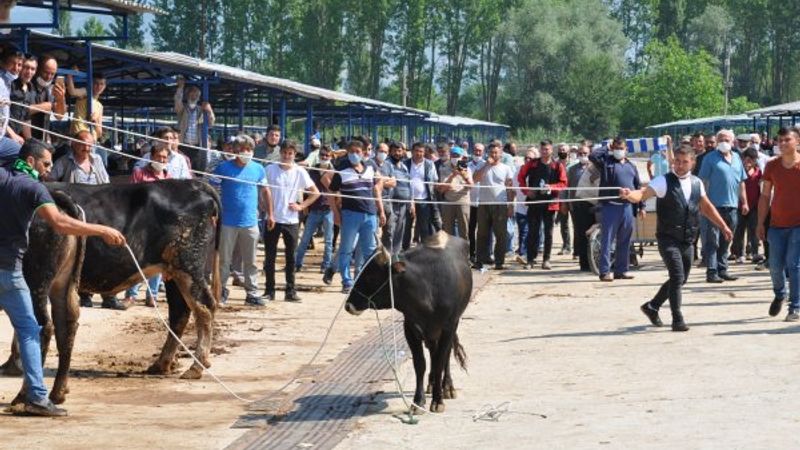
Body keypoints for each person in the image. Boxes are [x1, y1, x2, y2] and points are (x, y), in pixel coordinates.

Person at [1, 139, 125, 416]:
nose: (47, 170)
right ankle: (36, 396)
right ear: (30, 162)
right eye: (45, 164)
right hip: (9, 270)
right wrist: (101, 230)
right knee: (30, 331)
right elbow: (60, 223)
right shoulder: (33, 188)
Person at [622, 146, 733, 332]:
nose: (679, 165)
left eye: (684, 162)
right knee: (677, 275)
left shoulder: (697, 183)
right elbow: (642, 194)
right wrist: (629, 195)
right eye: (677, 161)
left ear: (693, 162)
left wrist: (723, 226)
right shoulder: (663, 182)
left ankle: (652, 306)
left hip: (688, 239)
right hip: (667, 238)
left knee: (681, 279)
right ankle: (677, 318)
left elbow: (706, 208)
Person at [212, 134, 273, 306]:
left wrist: (271, 213)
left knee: (251, 260)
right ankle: (220, 291)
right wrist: (213, 212)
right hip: (227, 222)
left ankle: (252, 293)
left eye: (249, 149)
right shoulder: (223, 168)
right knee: (224, 260)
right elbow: (212, 189)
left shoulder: (259, 169)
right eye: (243, 149)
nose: (246, 152)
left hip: (251, 222)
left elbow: (266, 191)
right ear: (236, 150)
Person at [323, 140, 386, 294]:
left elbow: (378, 186)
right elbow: (331, 192)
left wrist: (381, 210)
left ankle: (367, 281)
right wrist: (336, 214)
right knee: (346, 249)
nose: (354, 155)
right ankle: (346, 281)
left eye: (357, 151)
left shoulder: (371, 168)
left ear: (364, 152)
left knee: (370, 250)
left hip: (370, 214)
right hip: (350, 214)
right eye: (351, 152)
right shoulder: (342, 170)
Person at [262, 140, 319, 302]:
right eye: (285, 152)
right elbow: (262, 191)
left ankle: (290, 290)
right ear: (281, 152)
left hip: (292, 220)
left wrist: (302, 206)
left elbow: (315, 192)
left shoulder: (300, 172)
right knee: (270, 256)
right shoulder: (270, 169)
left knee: (290, 257)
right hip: (273, 218)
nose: (287, 156)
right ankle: (269, 290)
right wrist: (267, 211)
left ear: (294, 155)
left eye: (290, 153)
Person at [758, 127, 800, 322]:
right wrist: (760, 223)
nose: (782, 144)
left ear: (797, 142)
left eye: (786, 140)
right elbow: (765, 195)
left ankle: (795, 307)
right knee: (775, 266)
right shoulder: (772, 166)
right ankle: (779, 293)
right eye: (779, 140)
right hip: (776, 224)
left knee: (794, 265)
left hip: (798, 225)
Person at [698, 129, 748, 283]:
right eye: (720, 139)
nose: (723, 142)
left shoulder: (737, 159)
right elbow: (703, 182)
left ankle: (722, 269)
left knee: (727, 239)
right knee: (713, 240)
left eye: (726, 139)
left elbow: (741, 182)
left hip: (732, 206)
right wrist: (703, 204)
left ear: (732, 142)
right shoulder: (709, 158)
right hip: (714, 207)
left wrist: (744, 202)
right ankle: (712, 271)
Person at [590, 137, 643, 281]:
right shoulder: (606, 162)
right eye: (616, 148)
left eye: (621, 148)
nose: (619, 151)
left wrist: (641, 206)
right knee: (607, 240)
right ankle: (605, 271)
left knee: (625, 240)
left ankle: (621, 270)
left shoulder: (631, 166)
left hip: (627, 207)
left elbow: (637, 187)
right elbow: (592, 156)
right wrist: (606, 147)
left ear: (626, 149)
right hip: (610, 206)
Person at [123, 145, 170, 307]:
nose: (161, 160)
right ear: (152, 156)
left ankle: (152, 295)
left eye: (164, 157)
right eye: (159, 156)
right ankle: (131, 295)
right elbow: (130, 196)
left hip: (159, 225)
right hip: (140, 224)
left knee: (156, 261)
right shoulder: (139, 173)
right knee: (137, 260)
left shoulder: (167, 177)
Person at [518, 139, 567, 270]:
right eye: (543, 149)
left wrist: (551, 187)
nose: (545, 152)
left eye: (547, 149)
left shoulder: (557, 166)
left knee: (548, 232)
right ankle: (530, 259)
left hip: (550, 203)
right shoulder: (532, 164)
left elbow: (563, 184)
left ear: (552, 150)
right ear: (540, 150)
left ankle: (546, 259)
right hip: (534, 202)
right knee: (533, 231)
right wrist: (527, 191)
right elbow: (520, 177)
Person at [473, 141, 514, 270]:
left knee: (501, 234)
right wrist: (486, 165)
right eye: (491, 152)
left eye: (496, 152)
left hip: (500, 204)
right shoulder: (481, 165)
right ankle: (480, 259)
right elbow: (475, 179)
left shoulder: (506, 168)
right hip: (484, 204)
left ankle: (499, 261)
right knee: (482, 234)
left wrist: (510, 205)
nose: (494, 155)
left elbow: (510, 188)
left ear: (501, 154)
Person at [296, 145, 334, 275]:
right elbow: (305, 190)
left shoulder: (334, 172)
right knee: (305, 239)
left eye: (327, 155)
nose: (324, 157)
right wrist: (304, 206)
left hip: (329, 210)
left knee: (329, 241)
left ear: (331, 156)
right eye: (322, 155)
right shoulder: (312, 171)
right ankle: (297, 263)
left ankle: (326, 265)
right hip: (314, 210)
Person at [174, 76, 215, 171]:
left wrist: (209, 110)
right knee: (182, 169)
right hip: (183, 145)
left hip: (197, 146)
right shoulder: (182, 109)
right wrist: (180, 87)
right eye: (192, 94)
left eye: (196, 95)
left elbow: (211, 123)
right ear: (187, 95)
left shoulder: (201, 110)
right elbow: (177, 101)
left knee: (196, 170)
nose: (194, 96)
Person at [565, 145, 595, 271]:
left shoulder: (595, 168)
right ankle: (584, 263)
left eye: (586, 153)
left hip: (593, 205)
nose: (583, 155)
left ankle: (594, 260)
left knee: (593, 234)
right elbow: (567, 187)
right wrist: (567, 204)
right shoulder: (572, 169)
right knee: (581, 234)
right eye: (581, 153)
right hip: (577, 206)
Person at [730, 148, 762, 264]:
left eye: (751, 159)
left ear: (755, 161)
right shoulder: (737, 171)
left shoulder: (759, 172)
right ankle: (739, 254)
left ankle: (755, 253)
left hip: (754, 206)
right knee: (739, 231)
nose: (747, 162)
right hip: (739, 206)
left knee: (754, 231)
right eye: (745, 159)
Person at [382, 141, 413, 255]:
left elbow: (409, 185)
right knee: (389, 231)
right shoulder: (386, 165)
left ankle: (394, 256)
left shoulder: (404, 167)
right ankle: (386, 256)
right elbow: (383, 182)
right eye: (394, 151)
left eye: (399, 151)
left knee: (400, 231)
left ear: (403, 152)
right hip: (391, 203)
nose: (397, 153)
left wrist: (411, 202)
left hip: (403, 205)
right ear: (390, 152)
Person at [406, 142, 441, 241]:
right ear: (412, 151)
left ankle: (425, 250)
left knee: (425, 227)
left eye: (421, 151)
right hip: (408, 200)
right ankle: (405, 249)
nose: (418, 153)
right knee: (406, 227)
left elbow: (435, 180)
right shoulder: (405, 163)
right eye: (416, 151)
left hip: (424, 200)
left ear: (424, 152)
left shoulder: (429, 164)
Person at [436, 146, 473, 239]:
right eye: (453, 155)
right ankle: (449, 252)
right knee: (447, 230)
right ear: (450, 156)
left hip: (463, 201)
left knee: (464, 230)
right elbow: (442, 189)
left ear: (461, 157)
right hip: (448, 201)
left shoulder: (466, 167)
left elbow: (471, 186)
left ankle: (464, 252)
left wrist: (465, 176)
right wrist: (452, 176)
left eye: (457, 155)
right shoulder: (444, 167)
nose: (455, 157)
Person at [29, 54, 66, 142]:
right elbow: (18, 110)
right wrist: (43, 107)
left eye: (52, 74)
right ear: (38, 69)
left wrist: (61, 99)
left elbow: (59, 116)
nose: (48, 77)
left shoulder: (50, 89)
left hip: (42, 138)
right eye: (46, 72)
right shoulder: (27, 84)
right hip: (25, 137)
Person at [0, 44, 24, 162]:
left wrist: (12, 134)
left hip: (1, 138)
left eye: (19, 64)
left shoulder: (7, 82)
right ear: (2, 63)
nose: (16, 68)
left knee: (24, 152)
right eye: (12, 63)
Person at [9, 53, 37, 140]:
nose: (29, 72)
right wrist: (12, 135)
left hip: (16, 136)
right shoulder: (10, 84)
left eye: (32, 69)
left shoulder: (31, 89)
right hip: (5, 134)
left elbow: (26, 119)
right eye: (26, 67)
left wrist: (29, 141)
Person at [467, 143, 485, 261]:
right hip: (470, 203)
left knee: (483, 231)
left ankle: (482, 254)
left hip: (483, 202)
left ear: (483, 152)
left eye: (480, 151)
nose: (477, 153)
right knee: (471, 230)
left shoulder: (486, 165)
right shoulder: (467, 165)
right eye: (475, 150)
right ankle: (472, 254)